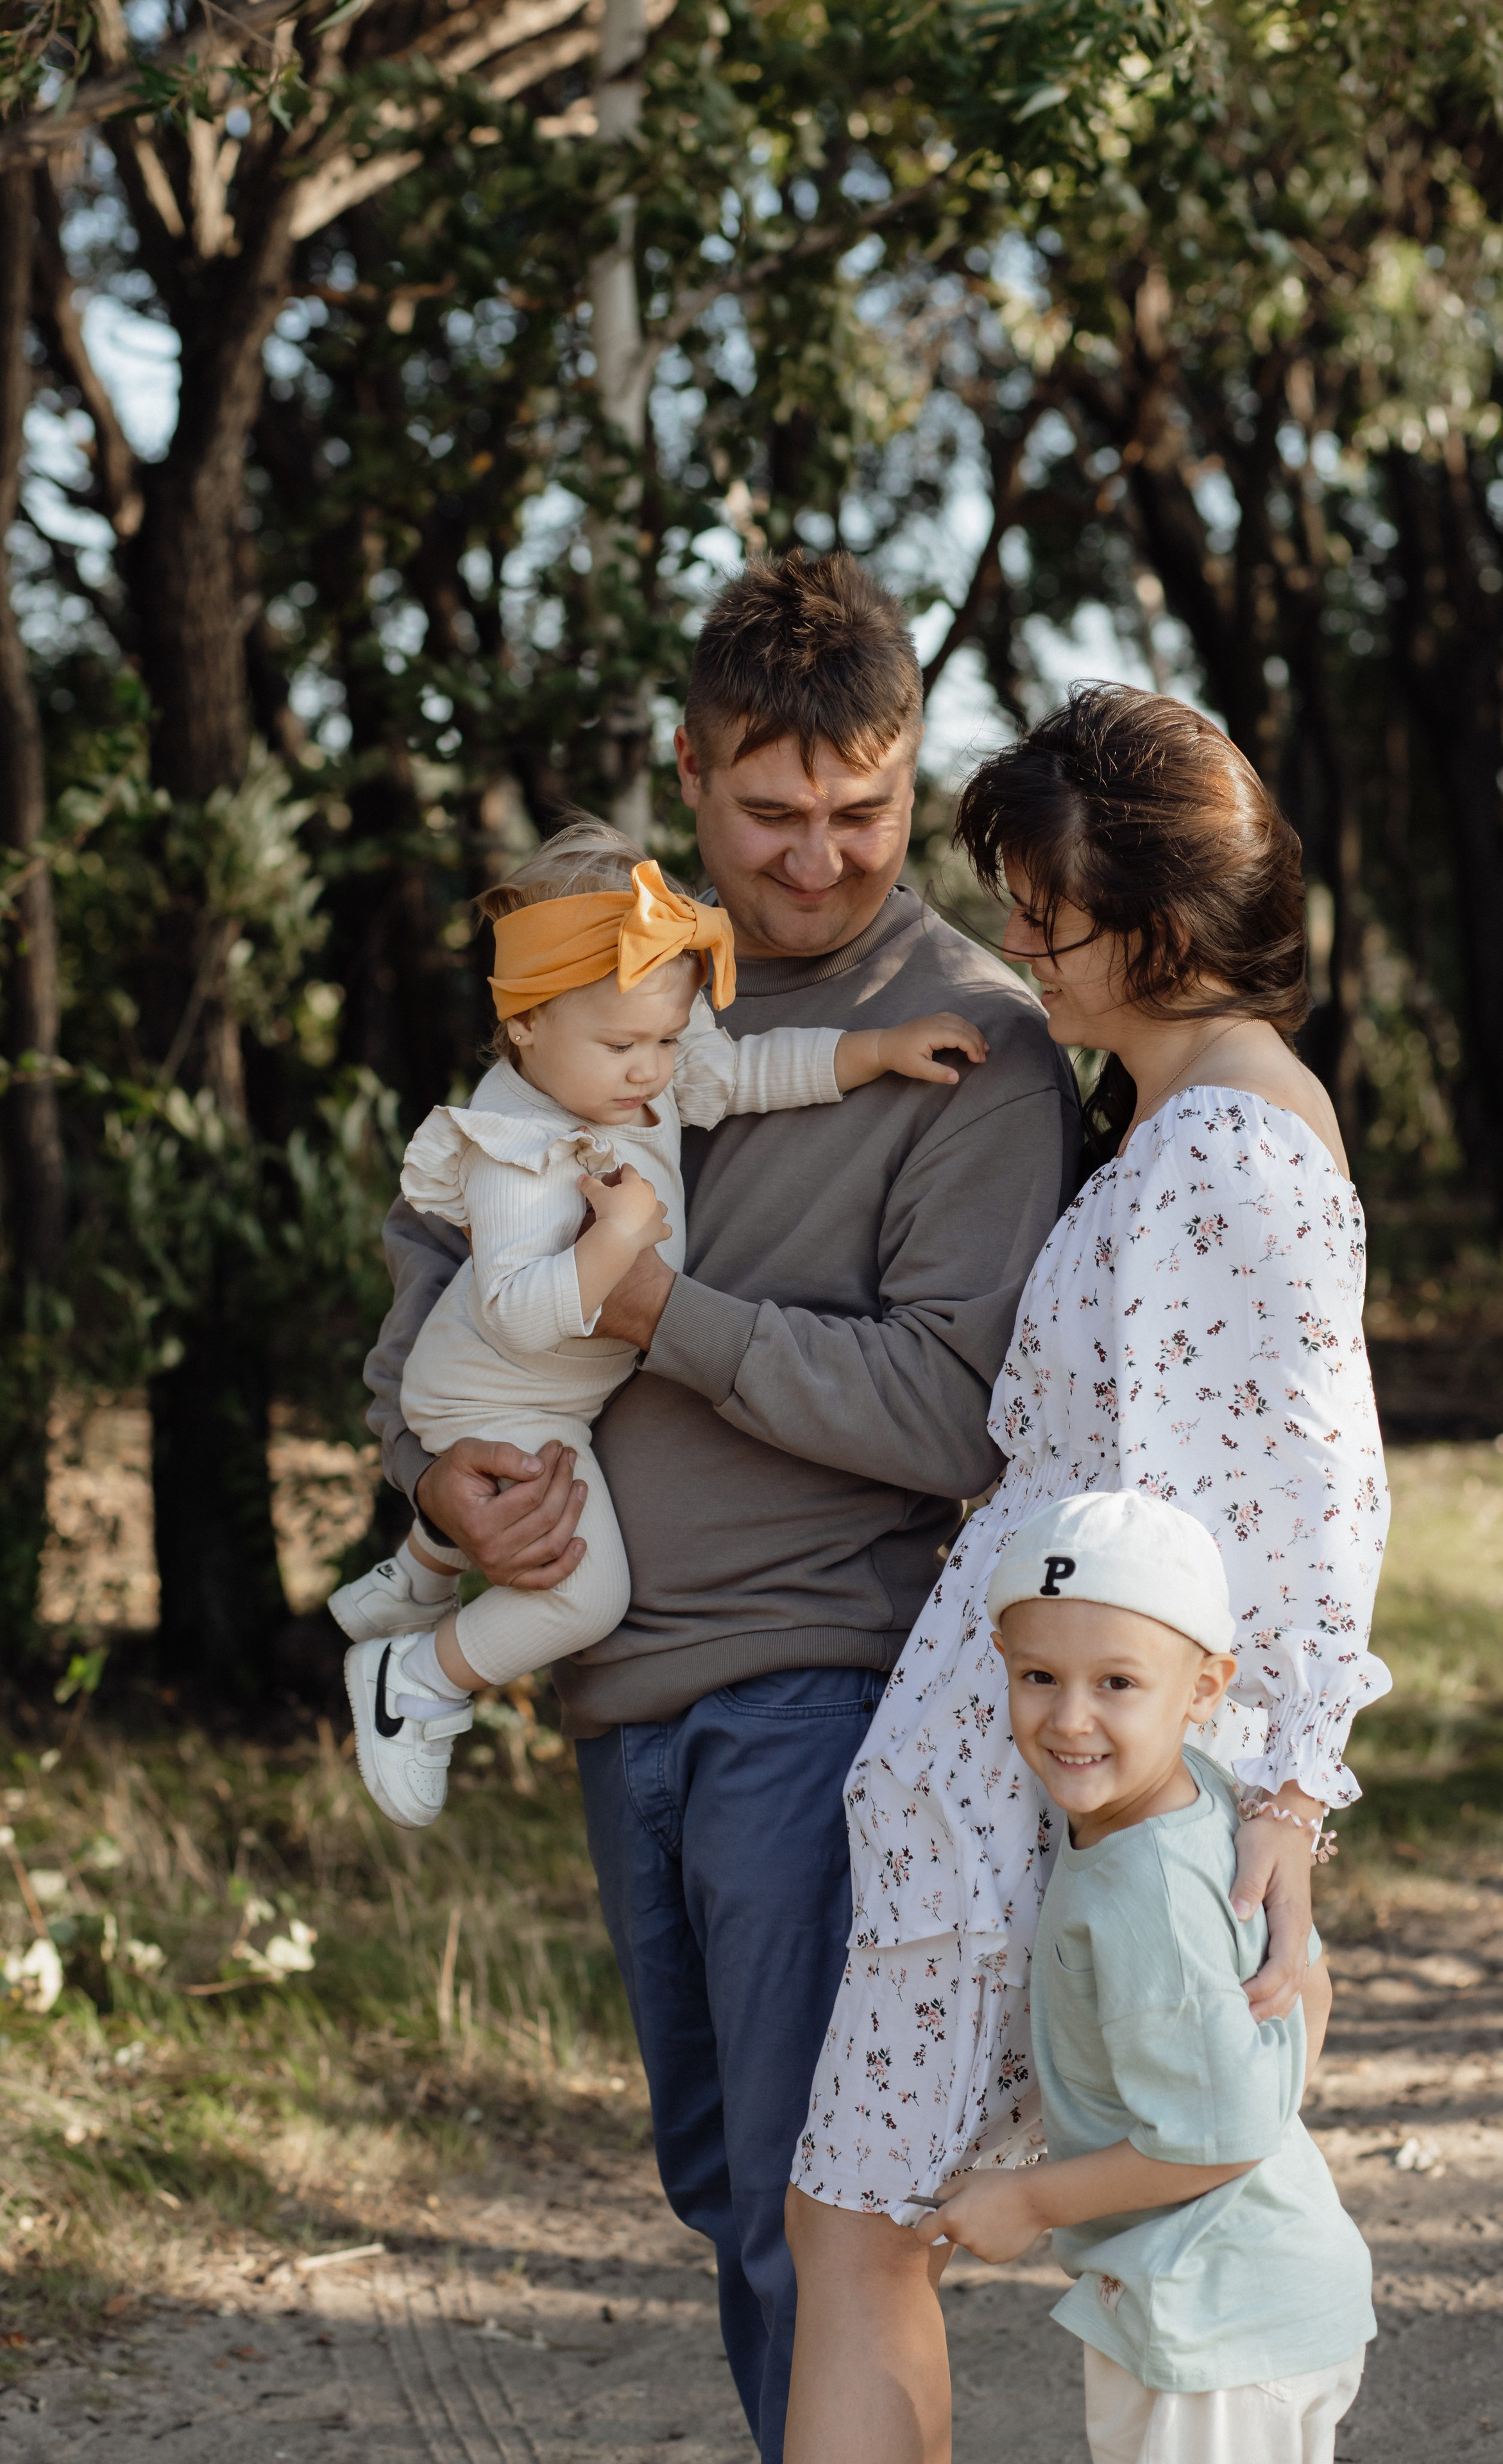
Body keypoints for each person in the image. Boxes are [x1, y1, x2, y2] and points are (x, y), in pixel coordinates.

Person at [361, 550, 1083, 2462]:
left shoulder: (975, 1045)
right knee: (720, 2187)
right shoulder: (597, 972)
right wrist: (435, 1479)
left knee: (812, 2213)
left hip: (820, 1688)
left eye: (864, 810)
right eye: (772, 812)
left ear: (913, 770)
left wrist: (657, 1314)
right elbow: (436, 1267)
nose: (820, 859)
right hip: (617, 1687)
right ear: (687, 769)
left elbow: (950, 1410)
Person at [785, 682, 1391, 2464]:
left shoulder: (1224, 1152)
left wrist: (1286, 1805)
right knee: (867, 2229)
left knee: (861, 2230)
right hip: (1019, 1772)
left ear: (1163, 933)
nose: (1023, 947)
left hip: (1029, 1790)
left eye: (1048, 916)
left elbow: (1310, 1507)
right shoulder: (1184, 1124)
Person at [332, 817, 987, 1831]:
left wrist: (878, 1051)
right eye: (623, 1046)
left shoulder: (627, 1073)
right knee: (580, 1595)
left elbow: (752, 1073)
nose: (651, 1072)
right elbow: (522, 1314)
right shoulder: (517, 1152)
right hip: (502, 1392)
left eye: (668, 1040)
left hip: (553, 1391)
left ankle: (413, 1579)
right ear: (526, 1028)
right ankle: (415, 1681)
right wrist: (622, 1242)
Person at [915, 1487, 1374, 2464]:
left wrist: (1028, 2201)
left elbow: (1220, 2136)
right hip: (1247, 2286)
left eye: (1117, 1682)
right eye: (1040, 1676)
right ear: (1002, 1661)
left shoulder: (1146, 1893)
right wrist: (1248, 2107)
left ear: (1205, 1689)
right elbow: (1311, 1988)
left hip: (1218, 2319)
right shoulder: (1206, 1797)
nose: (1070, 1718)